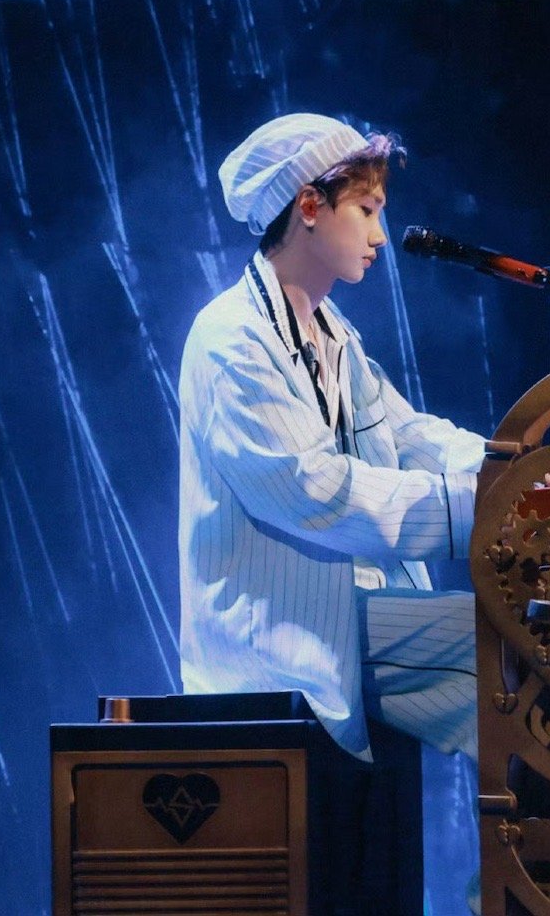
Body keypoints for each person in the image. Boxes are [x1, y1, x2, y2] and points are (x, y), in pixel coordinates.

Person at [176, 113, 488, 769]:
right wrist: (482, 510)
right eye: (367, 210)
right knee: (496, 642)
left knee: (525, 646)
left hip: (352, 607)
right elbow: (315, 493)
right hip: (278, 631)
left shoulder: (332, 330)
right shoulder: (232, 340)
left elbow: (407, 435)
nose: (380, 235)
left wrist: (519, 472)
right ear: (310, 207)